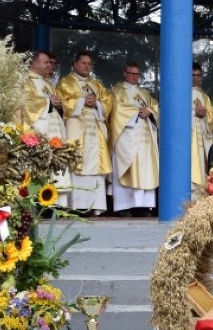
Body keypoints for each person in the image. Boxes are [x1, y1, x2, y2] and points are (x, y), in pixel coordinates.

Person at [57, 52, 113, 215]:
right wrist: (82, 101)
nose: (87, 66)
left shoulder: (96, 84)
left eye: (89, 64)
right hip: (76, 127)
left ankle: (96, 205)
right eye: (83, 63)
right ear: (75, 64)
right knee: (78, 161)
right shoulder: (66, 82)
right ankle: (76, 205)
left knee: (95, 163)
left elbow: (108, 102)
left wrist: (96, 103)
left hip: (94, 130)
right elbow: (62, 101)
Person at [107, 61, 160, 216]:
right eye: (131, 73)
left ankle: (143, 207)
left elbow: (155, 106)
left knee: (145, 171)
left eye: (137, 74)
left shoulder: (144, 93)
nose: (134, 77)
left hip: (145, 139)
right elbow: (116, 110)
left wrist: (149, 112)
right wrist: (137, 112)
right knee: (127, 169)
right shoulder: (117, 91)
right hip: (127, 138)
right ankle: (124, 207)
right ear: (124, 73)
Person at [21, 50, 70, 207]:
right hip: (41, 129)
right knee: (42, 164)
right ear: (34, 63)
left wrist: (58, 103)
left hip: (55, 129)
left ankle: (58, 203)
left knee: (57, 162)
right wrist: (49, 102)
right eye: (46, 62)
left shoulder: (48, 83)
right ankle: (40, 201)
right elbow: (26, 104)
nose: (49, 65)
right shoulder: (25, 80)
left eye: (50, 62)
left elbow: (58, 103)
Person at [191, 62, 213, 195]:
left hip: (201, 136)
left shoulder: (204, 96)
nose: (196, 78)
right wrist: (193, 112)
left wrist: (206, 114)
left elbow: (211, 117)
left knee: (201, 165)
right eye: (193, 75)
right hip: (188, 138)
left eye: (198, 75)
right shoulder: (180, 93)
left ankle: (199, 195)